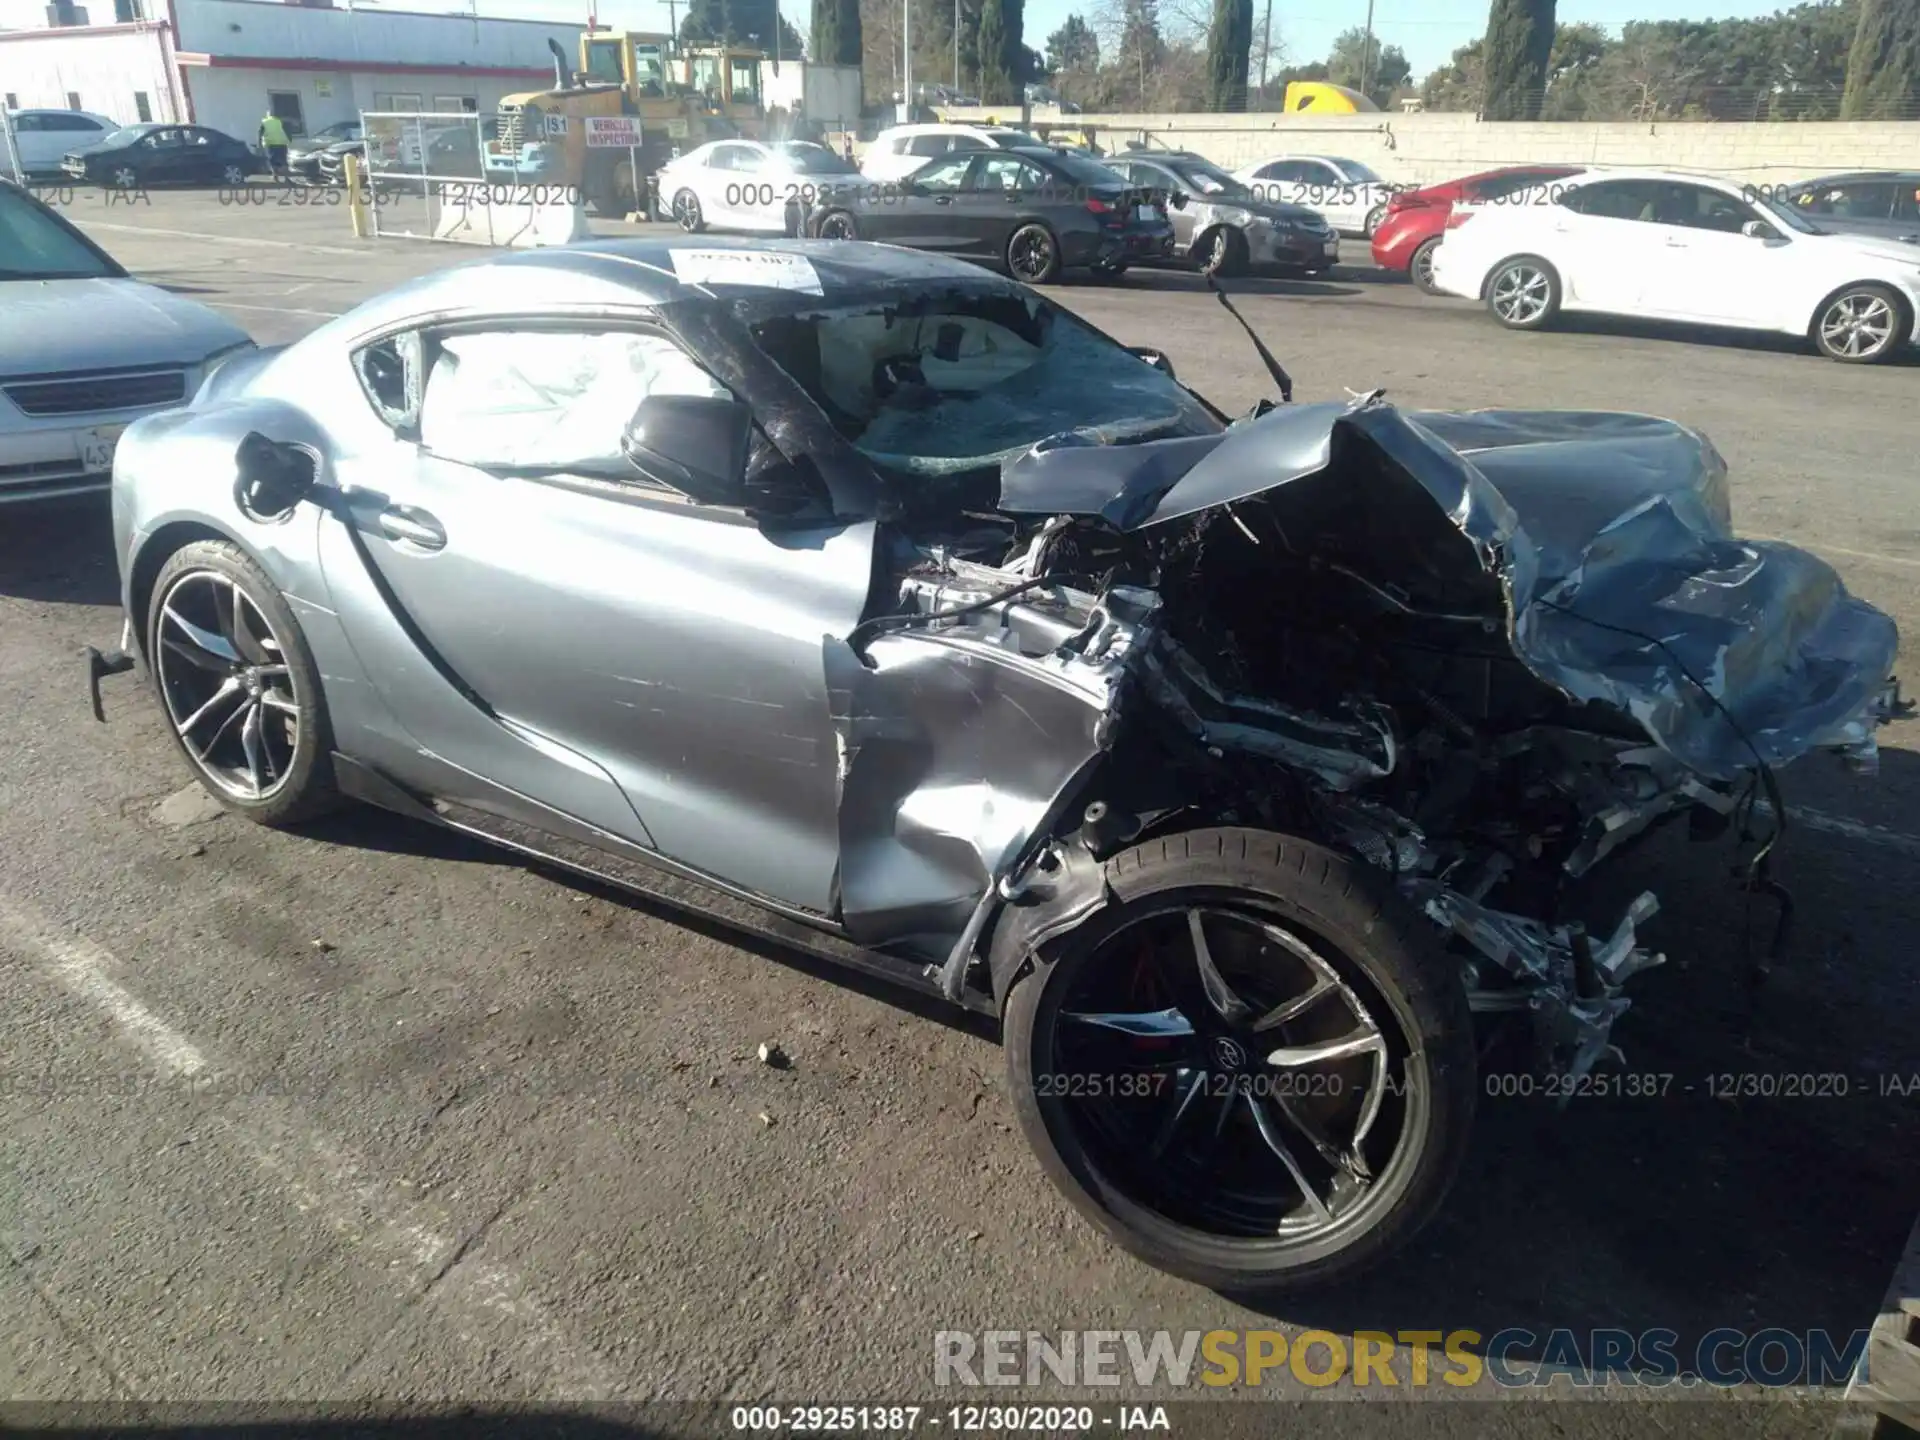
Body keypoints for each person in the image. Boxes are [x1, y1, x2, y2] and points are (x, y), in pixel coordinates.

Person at [258, 109, 290, 179]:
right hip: (282, 143)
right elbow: (286, 130)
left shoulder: (265, 122)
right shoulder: (279, 121)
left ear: (267, 115)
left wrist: (260, 144)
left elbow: (260, 133)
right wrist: (289, 140)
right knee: (283, 160)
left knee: (273, 160)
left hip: (271, 143)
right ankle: (287, 177)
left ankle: (275, 176)